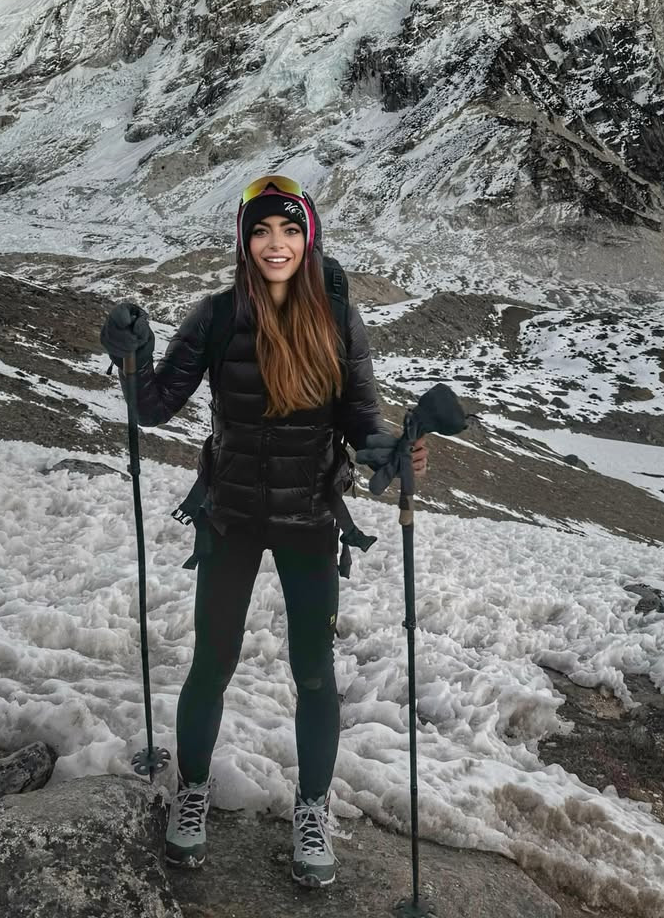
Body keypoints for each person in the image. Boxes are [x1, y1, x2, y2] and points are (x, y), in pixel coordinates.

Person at [100, 174, 427, 889]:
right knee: (212, 661)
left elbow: (361, 418)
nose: (274, 244)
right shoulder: (217, 316)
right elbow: (152, 407)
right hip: (233, 515)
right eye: (260, 231)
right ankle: (192, 793)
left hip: (311, 518)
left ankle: (312, 811)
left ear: (308, 238)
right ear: (243, 241)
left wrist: (386, 449)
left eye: (288, 230)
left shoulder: (338, 319)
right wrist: (131, 354)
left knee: (314, 672)